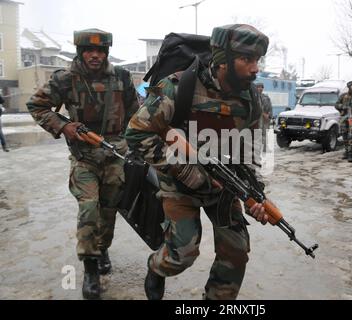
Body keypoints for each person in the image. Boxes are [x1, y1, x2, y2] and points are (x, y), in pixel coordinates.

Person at [125, 24, 270, 300]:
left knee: (236, 254)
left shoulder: (251, 98)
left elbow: (250, 151)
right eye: (247, 59)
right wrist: (186, 171)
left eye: (257, 60)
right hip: (180, 182)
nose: (255, 69)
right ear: (223, 60)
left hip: (223, 183)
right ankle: (156, 268)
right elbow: (136, 134)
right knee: (183, 254)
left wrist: (255, 193)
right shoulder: (179, 87)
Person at [27, 29, 139, 300]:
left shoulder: (122, 77)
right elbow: (37, 105)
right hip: (84, 157)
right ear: (80, 52)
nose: (95, 55)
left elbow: (137, 115)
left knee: (109, 211)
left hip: (115, 156)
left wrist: (138, 147)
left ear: (107, 53)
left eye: (101, 51)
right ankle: (90, 269)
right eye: (89, 50)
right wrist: (63, 125)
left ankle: (102, 249)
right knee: (89, 208)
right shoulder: (66, 79)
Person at [256, 83, 273, 152]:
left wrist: (269, 115)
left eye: (261, 87)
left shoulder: (266, 97)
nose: (260, 88)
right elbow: (256, 107)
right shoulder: (254, 97)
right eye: (258, 87)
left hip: (266, 119)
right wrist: (263, 114)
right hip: (258, 118)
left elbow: (270, 107)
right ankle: (257, 148)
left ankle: (265, 148)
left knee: (266, 133)